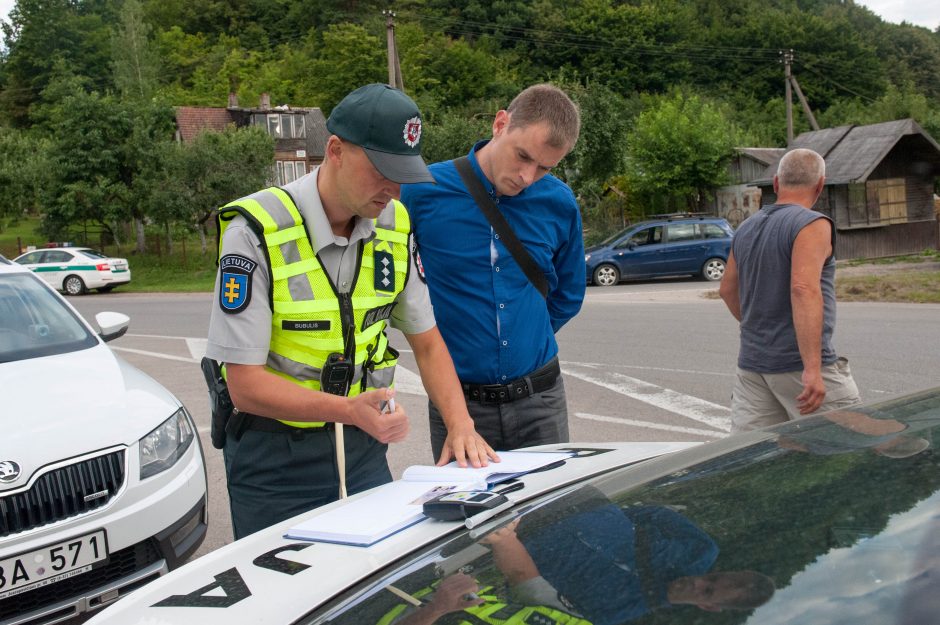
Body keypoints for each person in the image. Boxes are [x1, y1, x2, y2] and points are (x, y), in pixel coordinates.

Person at [205, 84, 495, 540]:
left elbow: (428, 342)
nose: (393, 189)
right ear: (335, 150)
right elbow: (244, 385)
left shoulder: (396, 225)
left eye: (403, 174)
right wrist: (347, 410)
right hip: (274, 463)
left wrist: (461, 425)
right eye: (382, 170)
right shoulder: (256, 230)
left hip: (362, 451)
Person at [400, 84, 585, 463]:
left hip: (541, 403)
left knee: (548, 519)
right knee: (468, 519)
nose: (527, 176)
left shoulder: (559, 203)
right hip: (460, 410)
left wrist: (525, 333)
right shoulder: (422, 193)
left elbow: (568, 293)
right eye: (523, 156)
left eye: (545, 168)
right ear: (501, 123)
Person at [380, 496, 774, 625]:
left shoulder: (620, 612)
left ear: (708, 605)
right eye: (714, 576)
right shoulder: (699, 552)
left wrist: (510, 544)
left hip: (516, 537)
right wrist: (603, 518)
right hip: (565, 497)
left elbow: (535, 590)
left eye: (707, 589)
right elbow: (651, 512)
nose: (699, 581)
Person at [719, 148, 861, 433]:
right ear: (820, 185)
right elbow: (803, 289)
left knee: (756, 457)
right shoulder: (812, 224)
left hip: (753, 367)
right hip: (797, 365)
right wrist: (812, 368)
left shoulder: (745, 228)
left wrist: (760, 329)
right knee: (855, 445)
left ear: (775, 183)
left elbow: (726, 289)